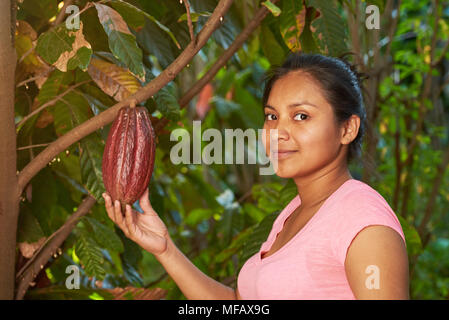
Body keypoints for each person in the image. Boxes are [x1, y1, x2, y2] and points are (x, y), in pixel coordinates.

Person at [102, 52, 409, 300]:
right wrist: (165, 248)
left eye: (301, 116)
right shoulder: (293, 215)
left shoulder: (362, 218)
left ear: (347, 129)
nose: (278, 132)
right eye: (272, 117)